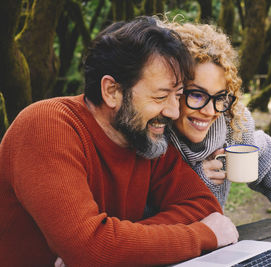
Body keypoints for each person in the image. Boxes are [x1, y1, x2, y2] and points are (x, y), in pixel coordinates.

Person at [0, 17, 238, 266]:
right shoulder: (46, 126)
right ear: (112, 91)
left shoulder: (146, 136)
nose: (173, 112)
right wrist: (203, 235)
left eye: (177, 96)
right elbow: (93, 250)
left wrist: (115, 244)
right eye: (160, 96)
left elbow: (202, 205)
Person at [165, 21, 271, 209]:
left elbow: (264, 154)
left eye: (219, 97)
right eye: (196, 94)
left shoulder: (231, 122)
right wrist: (195, 183)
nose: (210, 111)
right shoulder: (154, 138)